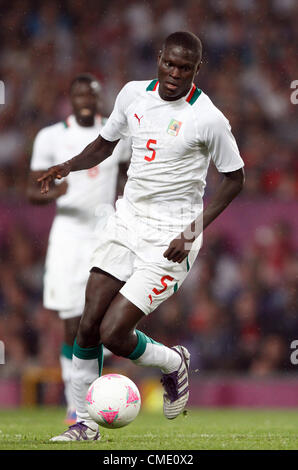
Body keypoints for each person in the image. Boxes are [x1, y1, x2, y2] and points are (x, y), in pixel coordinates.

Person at [38, 31, 245, 442]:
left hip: (172, 235)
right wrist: (67, 165)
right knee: (87, 324)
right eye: (169, 63)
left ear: (196, 70)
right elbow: (104, 145)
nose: (174, 73)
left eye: (184, 68)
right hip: (127, 222)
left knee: (115, 334)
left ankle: (172, 362)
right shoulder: (132, 95)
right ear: (159, 58)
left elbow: (234, 180)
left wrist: (191, 232)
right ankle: (84, 423)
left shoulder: (208, 118)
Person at [27, 73, 130, 423]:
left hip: (104, 235)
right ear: (70, 99)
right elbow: (31, 189)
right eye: (80, 93)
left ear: (101, 98)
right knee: (70, 319)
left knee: (95, 319)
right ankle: (76, 401)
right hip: (68, 236)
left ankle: (90, 398)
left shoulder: (116, 135)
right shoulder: (52, 137)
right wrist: (53, 192)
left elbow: (131, 175)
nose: (86, 98)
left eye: (93, 93)